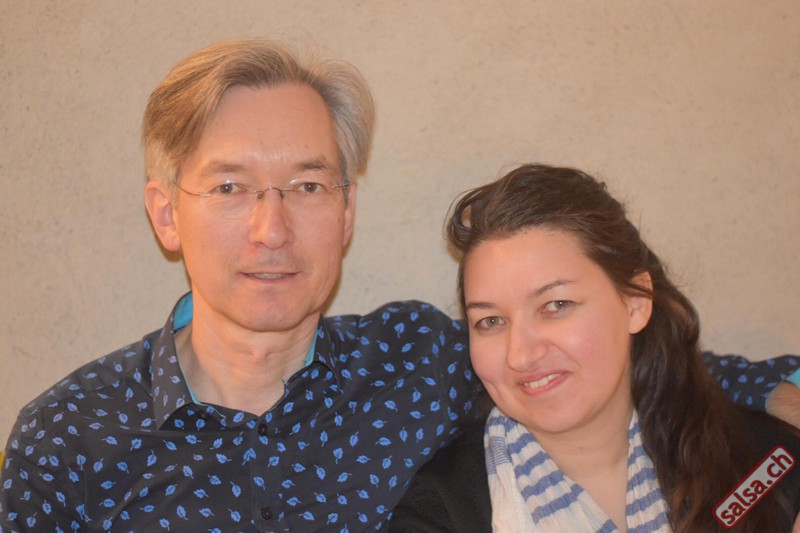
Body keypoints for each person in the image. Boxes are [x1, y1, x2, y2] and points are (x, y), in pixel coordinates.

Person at [0, 40, 797, 531]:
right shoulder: (69, 438)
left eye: (307, 186)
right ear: (166, 213)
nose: (272, 228)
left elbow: (615, 362)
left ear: (347, 211)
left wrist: (778, 391)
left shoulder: (418, 358)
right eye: (231, 187)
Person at [389, 164, 800, 532]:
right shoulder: (439, 513)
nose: (520, 355)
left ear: (635, 303)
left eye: (556, 305)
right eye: (491, 321)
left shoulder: (767, 464)